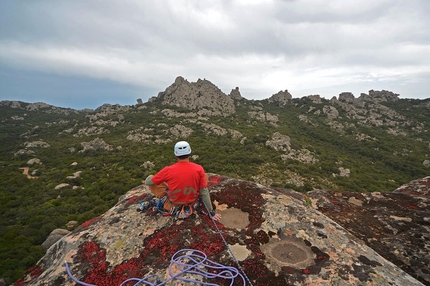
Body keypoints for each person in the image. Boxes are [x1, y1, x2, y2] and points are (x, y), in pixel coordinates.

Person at [143, 141, 222, 221]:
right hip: (191, 203)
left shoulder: (168, 170)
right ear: (189, 153)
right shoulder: (198, 168)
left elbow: (148, 182)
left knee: (155, 183)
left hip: (172, 205)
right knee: (204, 176)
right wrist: (211, 212)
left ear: (176, 155)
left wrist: (152, 176)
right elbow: (204, 191)